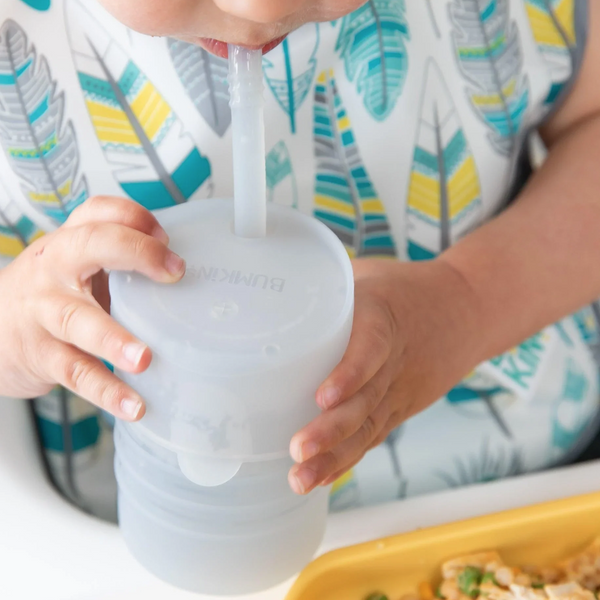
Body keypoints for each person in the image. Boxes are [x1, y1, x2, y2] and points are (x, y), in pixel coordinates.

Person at [0, 0, 599, 521]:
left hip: (525, 482)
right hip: (147, 525)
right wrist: (17, 329)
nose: (260, 9)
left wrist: (464, 300)